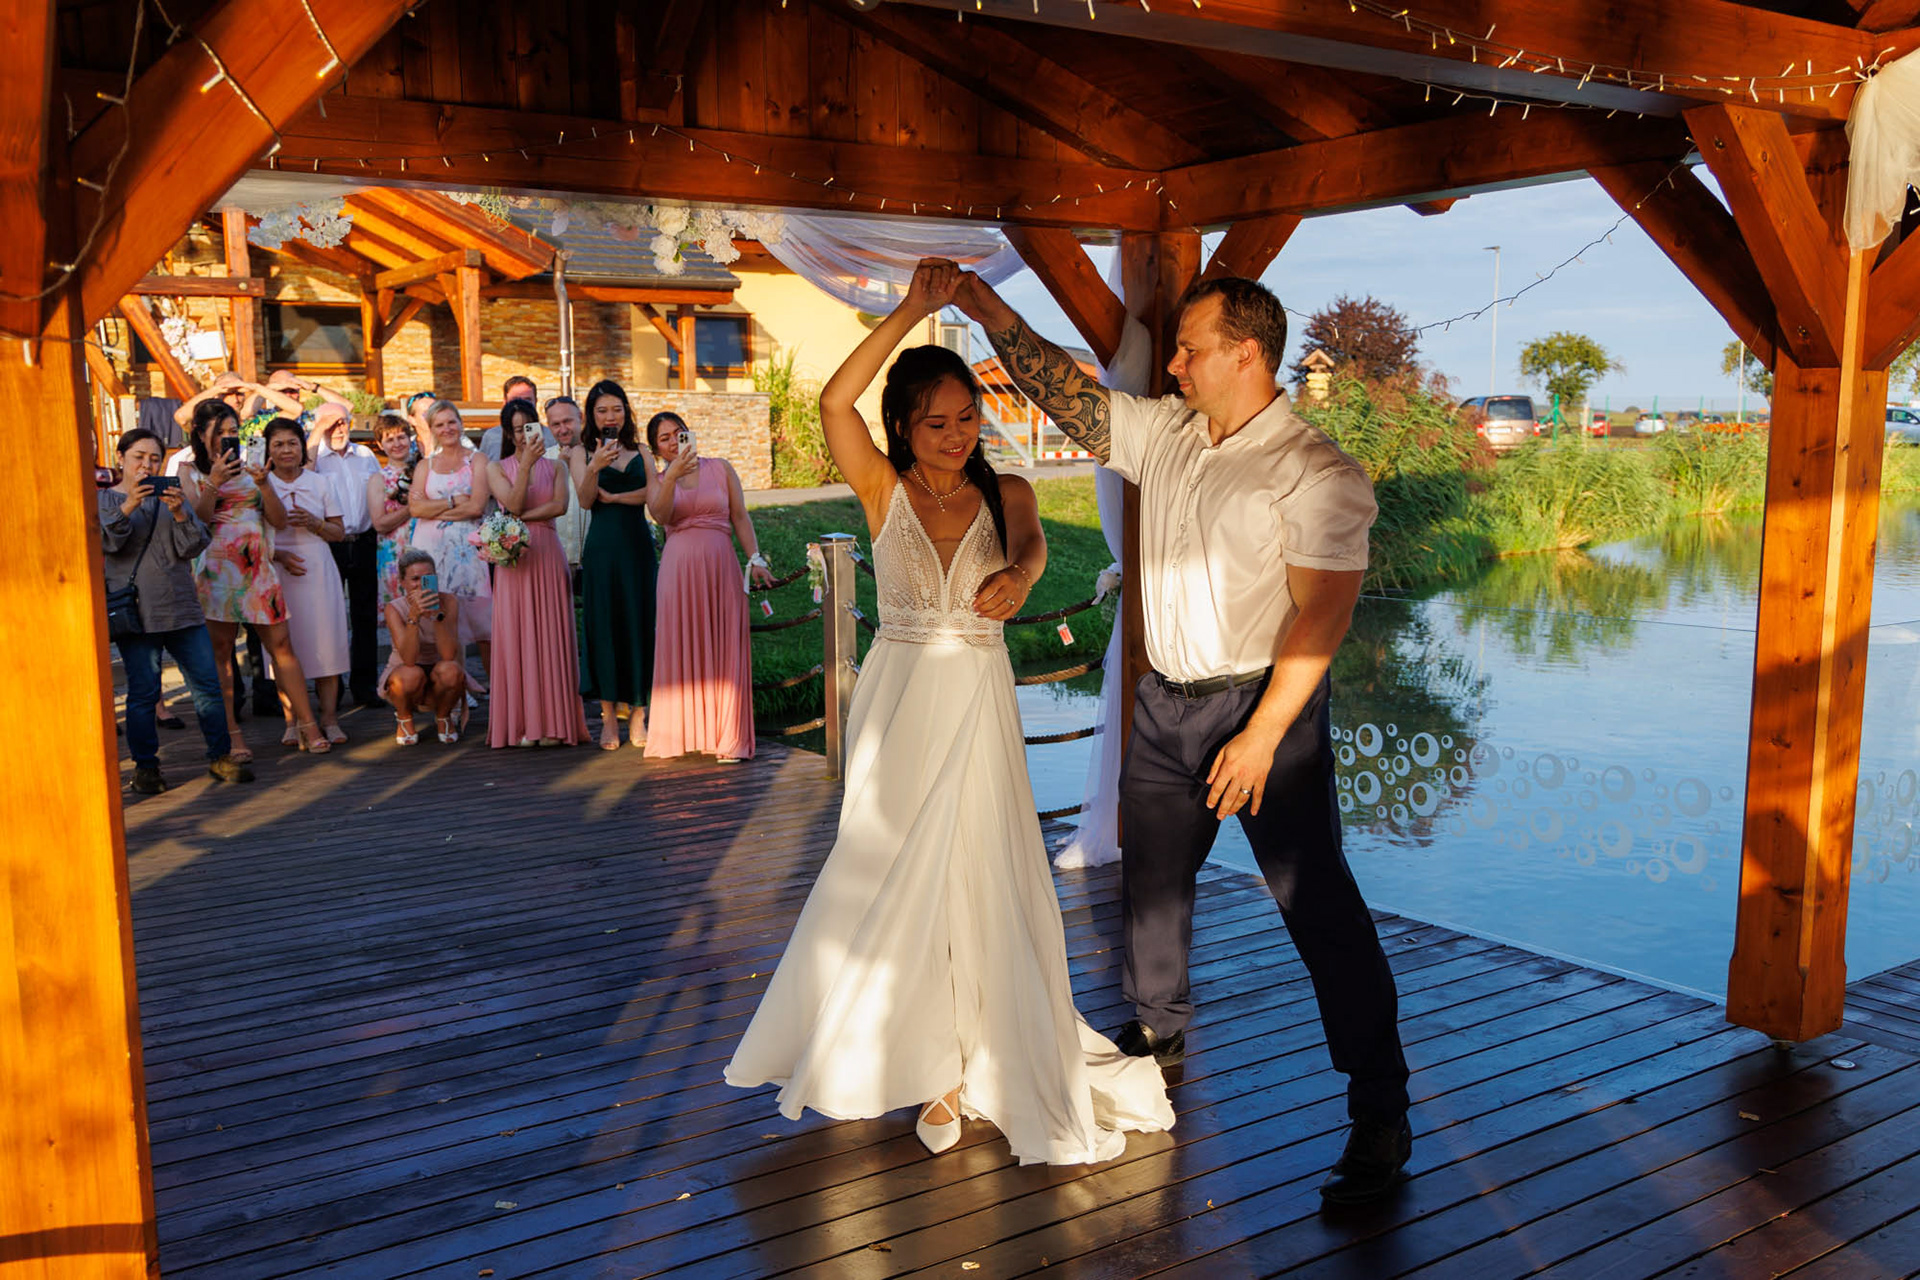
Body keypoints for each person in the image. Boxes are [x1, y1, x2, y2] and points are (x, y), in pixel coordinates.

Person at [953, 265, 1411, 1202]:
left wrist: (1263, 736)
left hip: (1267, 710)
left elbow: (1322, 615)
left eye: (1189, 349)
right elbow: (1067, 396)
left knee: (1319, 909)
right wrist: (985, 305)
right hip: (1164, 708)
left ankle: (1381, 1109)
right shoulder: (1164, 432)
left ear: (1246, 354)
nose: (1172, 363)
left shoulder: (1318, 472)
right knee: (1152, 891)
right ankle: (1157, 1042)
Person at [725, 261, 1174, 1165]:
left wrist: (1023, 576)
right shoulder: (881, 488)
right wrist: (910, 310)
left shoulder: (1006, 491)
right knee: (884, 866)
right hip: (898, 698)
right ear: (903, 426)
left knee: (976, 868)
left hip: (976, 693)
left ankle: (960, 1067)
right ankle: (905, 1051)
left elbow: (1034, 544)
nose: (957, 435)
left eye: (967, 418)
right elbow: (834, 402)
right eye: (936, 423)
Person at [102, 428, 253, 792]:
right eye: (138, 457)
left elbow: (194, 546)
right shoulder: (103, 499)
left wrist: (181, 513)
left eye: (154, 459)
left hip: (183, 608)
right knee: (143, 694)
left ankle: (220, 758)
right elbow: (107, 543)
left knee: (208, 686)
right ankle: (146, 769)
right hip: (138, 613)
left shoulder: (172, 496)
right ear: (121, 458)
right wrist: (129, 504)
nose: (146, 465)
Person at [176, 400, 327, 755]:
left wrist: (265, 484)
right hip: (216, 572)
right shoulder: (188, 470)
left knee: (282, 647)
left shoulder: (253, 468)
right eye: (220, 432)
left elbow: (279, 521)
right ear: (200, 433)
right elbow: (198, 521)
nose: (228, 438)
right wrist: (214, 482)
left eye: (233, 431)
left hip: (258, 569)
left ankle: (308, 725)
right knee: (221, 653)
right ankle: (231, 733)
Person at [643, 412, 773, 763]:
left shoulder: (720, 468)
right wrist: (672, 475)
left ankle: (728, 737)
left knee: (723, 641)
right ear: (657, 450)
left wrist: (755, 558)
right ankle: (681, 733)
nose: (674, 441)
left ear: (689, 433)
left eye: (678, 432)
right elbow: (660, 515)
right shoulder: (658, 480)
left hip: (721, 566)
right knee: (680, 643)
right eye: (664, 439)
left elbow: (740, 516)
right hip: (678, 571)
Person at [485, 399, 589, 747]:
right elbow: (512, 503)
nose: (524, 435)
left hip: (546, 553)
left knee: (550, 637)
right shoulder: (496, 468)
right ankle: (523, 725)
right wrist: (526, 466)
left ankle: (554, 724)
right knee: (518, 638)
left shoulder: (557, 467)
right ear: (508, 434)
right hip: (514, 561)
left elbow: (559, 506)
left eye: (529, 427)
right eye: (517, 430)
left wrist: (516, 521)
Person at [574, 379, 658, 751]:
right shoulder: (581, 453)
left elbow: (655, 494)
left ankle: (639, 713)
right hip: (603, 549)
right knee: (604, 626)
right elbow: (585, 500)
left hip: (637, 546)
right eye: (602, 410)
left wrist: (619, 497)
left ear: (626, 412)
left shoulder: (642, 450)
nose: (611, 416)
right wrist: (594, 467)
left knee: (639, 624)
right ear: (592, 416)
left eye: (617, 409)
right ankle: (608, 715)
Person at [262, 417, 351, 745]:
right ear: (268, 450)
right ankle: (293, 720)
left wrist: (315, 523)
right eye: (278, 444)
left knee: (326, 644)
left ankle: (329, 717)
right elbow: (250, 536)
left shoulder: (321, 483)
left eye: (292, 443)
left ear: (302, 447)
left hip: (317, 567)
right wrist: (278, 555)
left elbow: (339, 533)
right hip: (276, 571)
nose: (286, 450)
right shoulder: (260, 484)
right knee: (282, 648)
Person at [408, 398, 494, 704]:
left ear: (461, 423)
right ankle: (457, 690)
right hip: (431, 552)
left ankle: (498, 689)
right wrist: (452, 501)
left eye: (451, 422)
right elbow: (415, 508)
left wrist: (435, 511)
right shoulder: (425, 465)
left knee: (482, 622)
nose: (447, 429)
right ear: (431, 429)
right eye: (439, 424)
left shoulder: (478, 461)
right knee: (444, 619)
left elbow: (477, 506)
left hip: (468, 551)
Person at [309, 402, 383, 707]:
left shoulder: (365, 455)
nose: (338, 428)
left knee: (365, 617)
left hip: (364, 540)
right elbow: (303, 478)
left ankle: (365, 687)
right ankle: (331, 690)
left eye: (342, 422)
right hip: (330, 543)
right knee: (329, 617)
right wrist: (317, 432)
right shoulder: (314, 458)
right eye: (330, 423)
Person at [381, 548, 469, 744]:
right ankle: (404, 718)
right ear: (403, 582)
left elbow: (448, 655)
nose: (421, 584)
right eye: (415, 579)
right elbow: (409, 659)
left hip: (439, 668)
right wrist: (414, 616)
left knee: (452, 671)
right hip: (406, 670)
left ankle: (443, 716)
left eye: (428, 578)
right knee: (410, 674)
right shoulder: (394, 608)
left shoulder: (449, 601)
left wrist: (436, 615)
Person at [366, 413, 417, 613]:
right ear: (380, 445)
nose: (397, 444)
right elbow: (379, 523)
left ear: (409, 439)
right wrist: (412, 508)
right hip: (394, 554)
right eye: (390, 439)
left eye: (401, 437)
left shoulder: (424, 469)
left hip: (425, 547)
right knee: (400, 614)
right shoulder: (378, 479)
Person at [544, 396, 592, 582]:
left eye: (567, 421)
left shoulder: (598, 454)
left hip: (594, 557)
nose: (563, 429)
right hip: (554, 558)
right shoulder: (542, 459)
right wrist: (559, 468)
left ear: (581, 417)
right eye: (556, 424)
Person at [478, 375, 548, 462]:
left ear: (536, 401)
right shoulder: (491, 437)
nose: (522, 405)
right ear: (505, 402)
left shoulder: (550, 436)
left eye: (527, 400)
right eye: (515, 400)